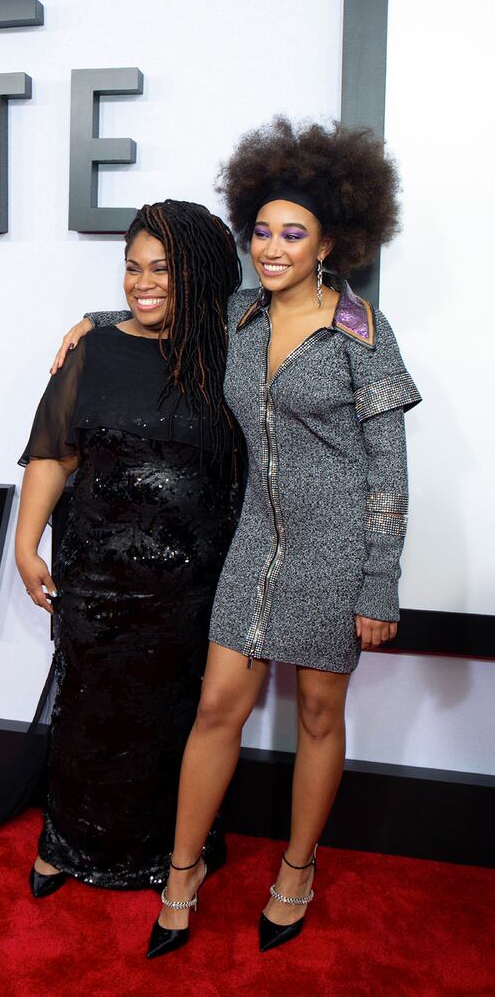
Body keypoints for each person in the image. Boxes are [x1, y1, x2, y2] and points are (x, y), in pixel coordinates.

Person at [58, 117, 420, 955]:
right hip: (255, 538)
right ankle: (181, 873)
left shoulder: (362, 332)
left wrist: (378, 582)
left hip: (336, 549)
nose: (272, 246)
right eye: (261, 230)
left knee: (319, 714)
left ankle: (296, 869)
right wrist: (93, 317)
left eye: (293, 233)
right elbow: (164, 309)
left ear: (332, 240)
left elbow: (389, 475)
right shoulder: (239, 312)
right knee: (219, 705)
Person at [0, 200, 243, 894]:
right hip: (95, 575)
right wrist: (26, 543)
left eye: (162, 270)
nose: (141, 283)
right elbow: (53, 455)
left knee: (172, 722)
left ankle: (168, 853)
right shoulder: (92, 350)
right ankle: (66, 844)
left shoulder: (233, 356)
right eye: (131, 268)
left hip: (193, 591)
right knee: (87, 710)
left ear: (199, 275)